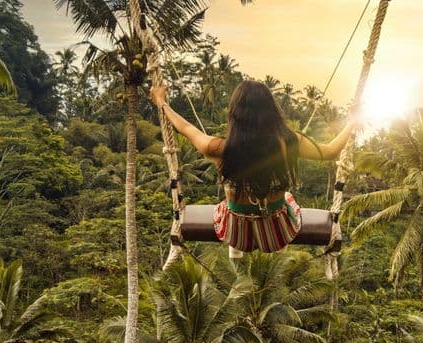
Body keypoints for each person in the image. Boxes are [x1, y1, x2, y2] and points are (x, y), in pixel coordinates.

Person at [150, 80, 358, 257]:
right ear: (271, 111)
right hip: (277, 235)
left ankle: (236, 253)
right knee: (287, 200)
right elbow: (330, 151)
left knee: (226, 205)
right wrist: (352, 122)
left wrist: (162, 103)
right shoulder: (289, 141)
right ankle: (277, 246)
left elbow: (186, 128)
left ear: (235, 113)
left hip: (235, 235)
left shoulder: (219, 148)